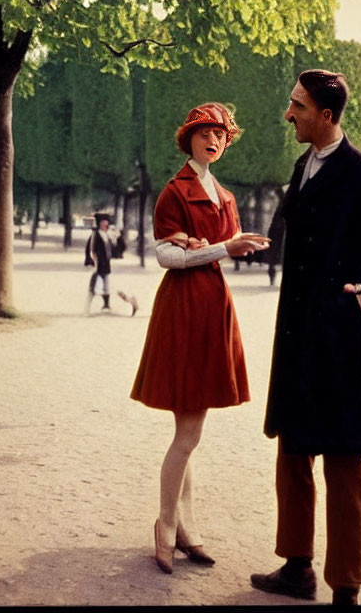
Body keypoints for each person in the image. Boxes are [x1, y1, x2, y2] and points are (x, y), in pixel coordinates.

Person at [249, 69, 361, 606]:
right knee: (293, 450)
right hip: (297, 334)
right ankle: (296, 567)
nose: (288, 113)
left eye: (297, 106)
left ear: (326, 115)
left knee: (344, 459)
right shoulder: (303, 166)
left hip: (340, 338)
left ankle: (345, 584)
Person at [130, 102, 269, 575]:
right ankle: (167, 527)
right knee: (188, 433)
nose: (214, 141)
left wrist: (219, 247)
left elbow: (213, 250)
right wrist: (218, 248)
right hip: (184, 307)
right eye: (205, 133)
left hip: (211, 305)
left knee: (188, 432)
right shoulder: (174, 192)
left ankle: (183, 528)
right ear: (188, 139)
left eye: (222, 135)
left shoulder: (225, 197)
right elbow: (167, 258)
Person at [86, 213, 115, 312]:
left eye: (106, 223)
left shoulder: (108, 235)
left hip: (106, 265)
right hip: (98, 264)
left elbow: (113, 249)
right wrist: (90, 262)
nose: (106, 225)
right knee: (96, 287)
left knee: (106, 285)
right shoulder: (95, 235)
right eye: (103, 223)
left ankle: (106, 305)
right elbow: (90, 249)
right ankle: (88, 306)